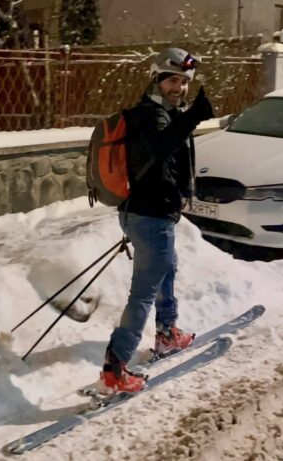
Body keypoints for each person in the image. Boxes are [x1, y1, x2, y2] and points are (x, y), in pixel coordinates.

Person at [100, 48, 215, 393]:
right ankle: (115, 368)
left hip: (153, 214)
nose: (178, 87)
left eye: (183, 81)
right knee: (143, 292)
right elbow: (160, 148)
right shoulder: (150, 116)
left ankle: (167, 332)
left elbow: (171, 159)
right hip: (148, 217)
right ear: (156, 79)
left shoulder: (164, 114)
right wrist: (193, 116)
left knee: (167, 268)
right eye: (171, 79)